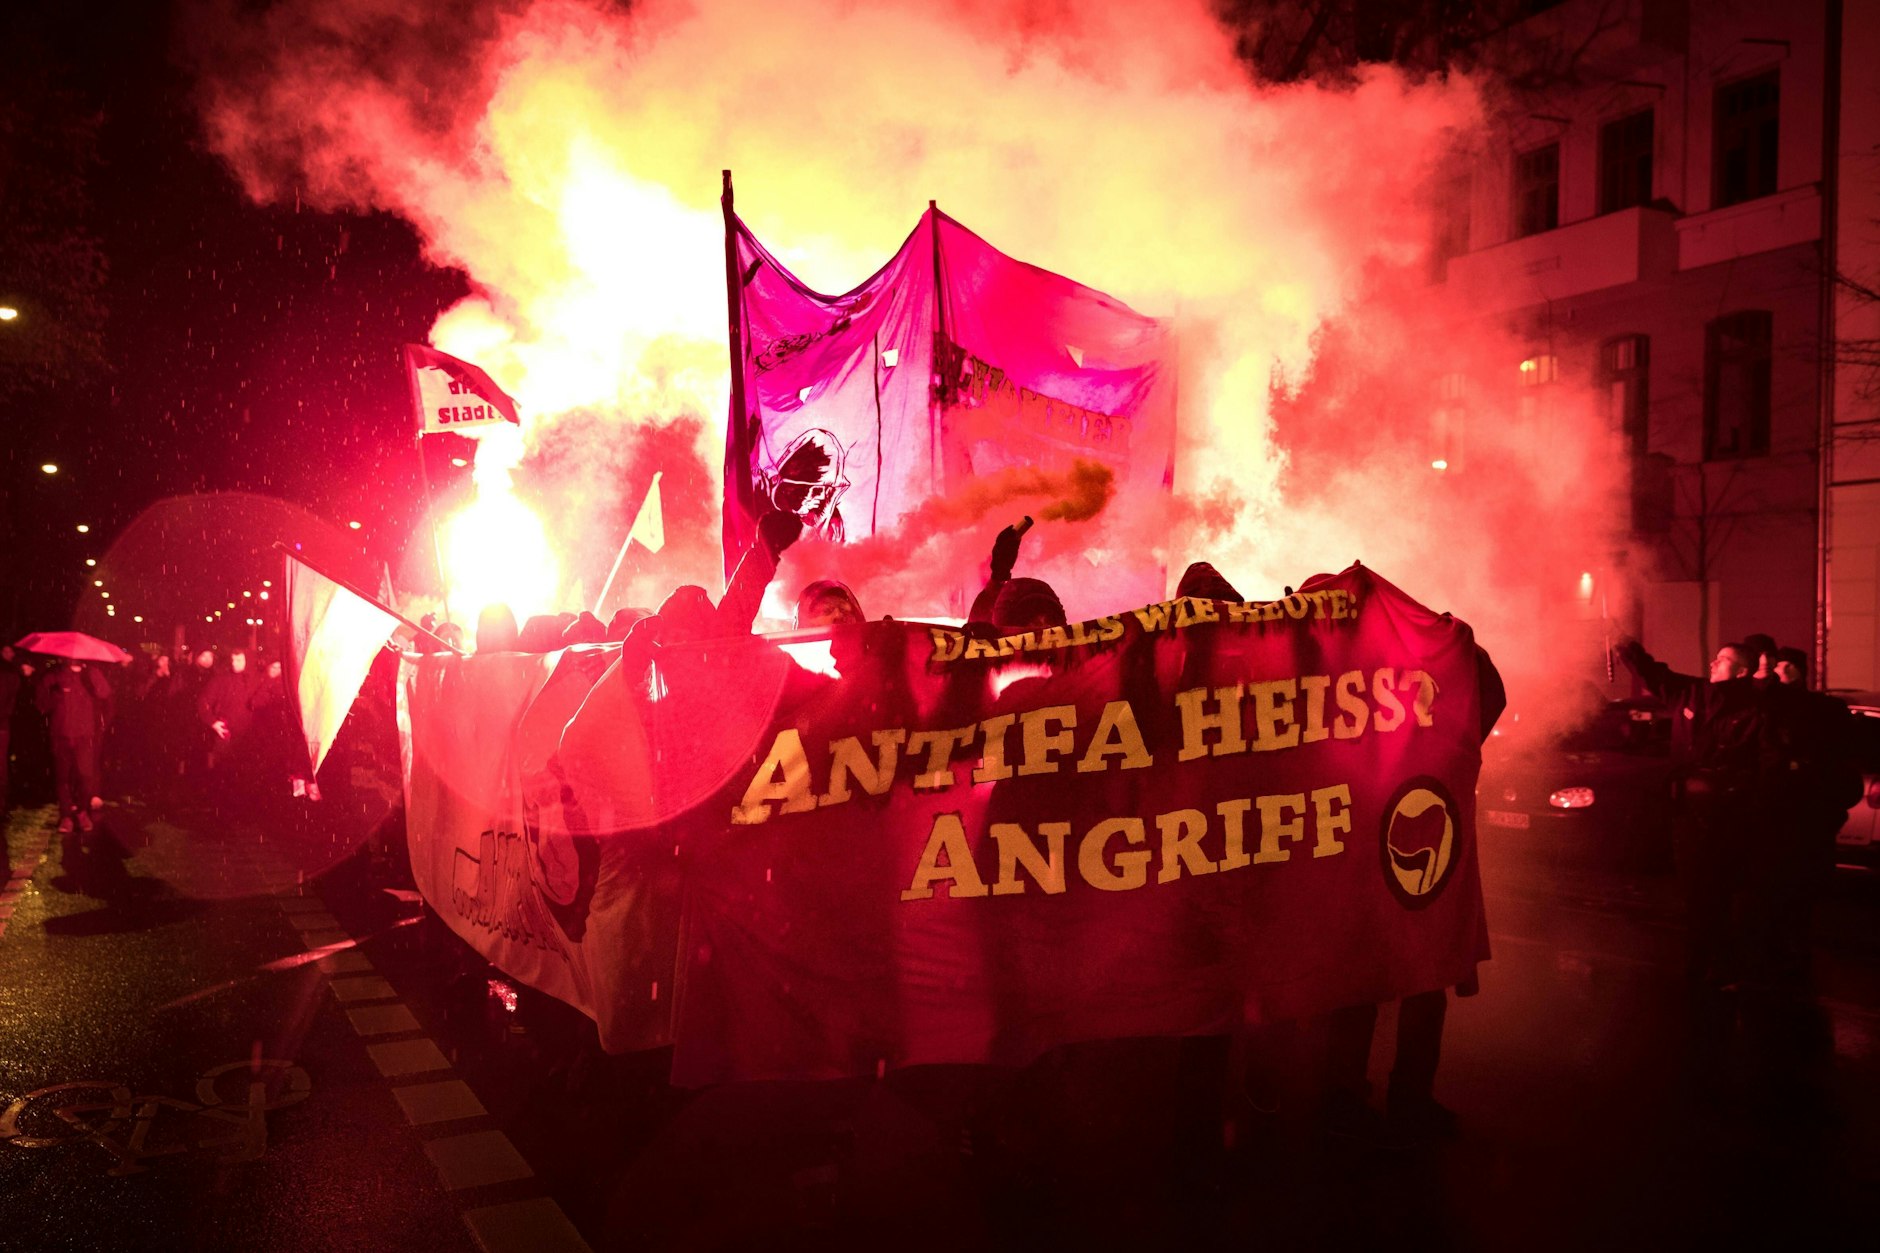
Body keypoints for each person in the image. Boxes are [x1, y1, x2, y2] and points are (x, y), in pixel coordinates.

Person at [1617, 637, 1766, 1005]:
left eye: (1723, 660)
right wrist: (1625, 646)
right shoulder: (1693, 694)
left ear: (1742, 671)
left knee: (1723, 895)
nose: (1713, 664)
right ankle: (1698, 967)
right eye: (1714, 658)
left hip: (1728, 819)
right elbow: (1656, 674)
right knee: (1695, 895)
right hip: (1688, 817)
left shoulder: (1753, 709)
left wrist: (1722, 787)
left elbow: (1759, 763)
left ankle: (1727, 968)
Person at [34, 659, 111, 835]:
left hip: (84, 736)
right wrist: (54, 691)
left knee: (86, 776)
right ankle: (67, 816)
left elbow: (105, 693)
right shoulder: (55, 674)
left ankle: (82, 811)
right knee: (63, 778)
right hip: (61, 734)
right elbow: (42, 703)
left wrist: (93, 677)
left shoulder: (90, 673)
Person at [0, 645, 34, 814]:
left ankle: (7, 798)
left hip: (11, 722)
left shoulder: (14, 672)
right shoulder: (12, 673)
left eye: (9, 651)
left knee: (6, 761)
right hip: (8, 721)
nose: (8, 654)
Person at [794, 579, 863, 628]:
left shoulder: (871, 646)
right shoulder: (793, 648)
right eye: (827, 610)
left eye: (843, 610)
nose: (838, 615)